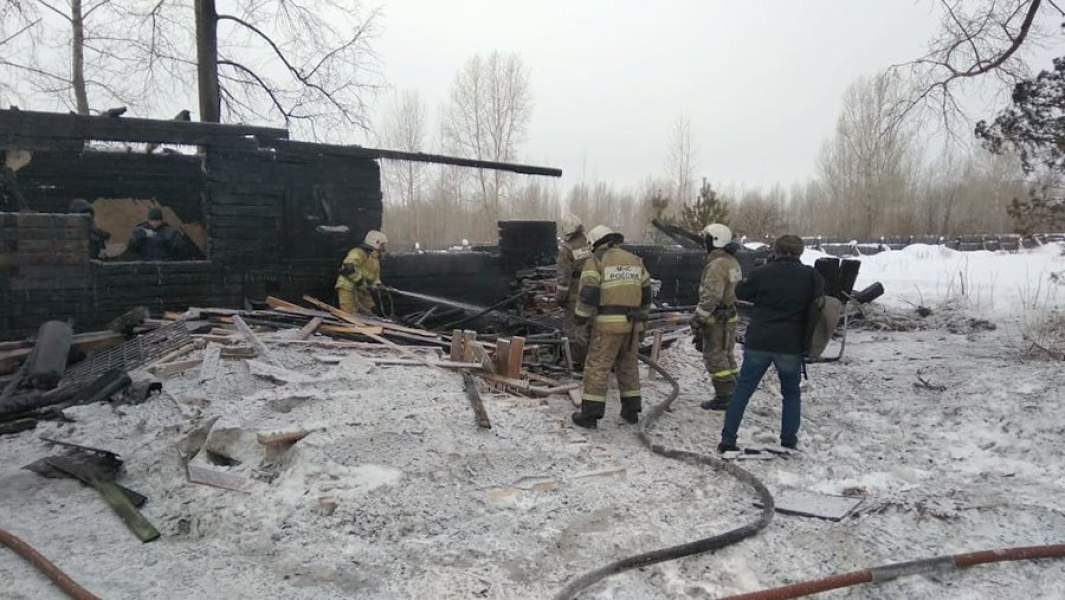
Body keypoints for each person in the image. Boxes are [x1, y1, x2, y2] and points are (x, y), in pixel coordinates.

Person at [718, 234, 824, 452]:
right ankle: (788, 439)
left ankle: (728, 440)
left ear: (775, 249)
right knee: (791, 393)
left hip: (759, 340)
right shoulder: (811, 275)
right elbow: (820, 302)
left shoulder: (762, 272)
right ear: (800, 252)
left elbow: (741, 292)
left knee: (743, 390)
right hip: (790, 344)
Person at [571, 225, 652, 429]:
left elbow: (588, 294)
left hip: (607, 325)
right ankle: (631, 411)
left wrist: (580, 320)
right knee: (628, 366)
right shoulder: (634, 260)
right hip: (632, 325)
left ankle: (590, 415)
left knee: (597, 367)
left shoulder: (596, 261)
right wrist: (642, 320)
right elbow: (647, 293)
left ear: (596, 242)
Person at [692, 223, 743, 411]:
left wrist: (698, 318)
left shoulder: (716, 265)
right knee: (727, 355)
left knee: (714, 358)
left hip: (717, 319)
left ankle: (725, 396)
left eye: (706, 239)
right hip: (729, 316)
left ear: (714, 241)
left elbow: (711, 296)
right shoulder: (732, 261)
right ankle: (736, 391)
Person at [555, 213, 593, 368]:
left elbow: (563, 278)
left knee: (574, 329)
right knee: (591, 326)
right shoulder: (591, 243)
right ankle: (593, 360)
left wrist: (560, 298)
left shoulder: (567, 249)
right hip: (593, 292)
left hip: (574, 295)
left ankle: (577, 363)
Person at [335, 230, 386, 315]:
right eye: (382, 245)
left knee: (371, 311)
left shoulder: (375, 259)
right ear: (376, 243)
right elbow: (348, 268)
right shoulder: (357, 252)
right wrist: (361, 282)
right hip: (348, 287)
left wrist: (378, 285)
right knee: (349, 314)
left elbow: (374, 277)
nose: (384, 248)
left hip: (362, 289)